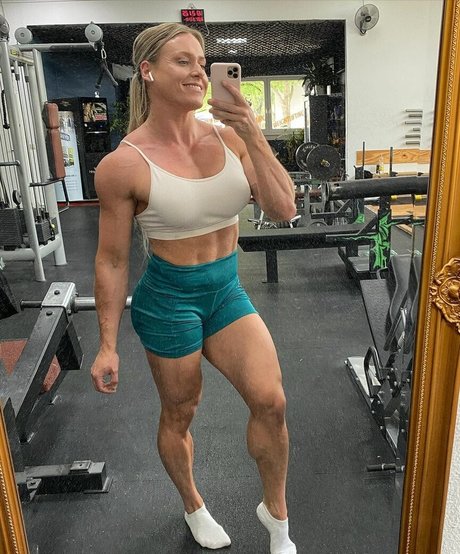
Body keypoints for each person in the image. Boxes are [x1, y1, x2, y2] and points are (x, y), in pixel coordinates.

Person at [90, 22, 297, 554]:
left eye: (202, 63)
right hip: (168, 300)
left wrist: (252, 131)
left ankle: (276, 516)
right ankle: (193, 505)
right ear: (148, 71)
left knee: (271, 401)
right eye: (182, 62)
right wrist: (107, 344)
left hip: (226, 290)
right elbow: (112, 260)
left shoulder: (229, 137)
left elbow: (283, 209)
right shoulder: (123, 164)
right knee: (181, 413)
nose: (199, 73)